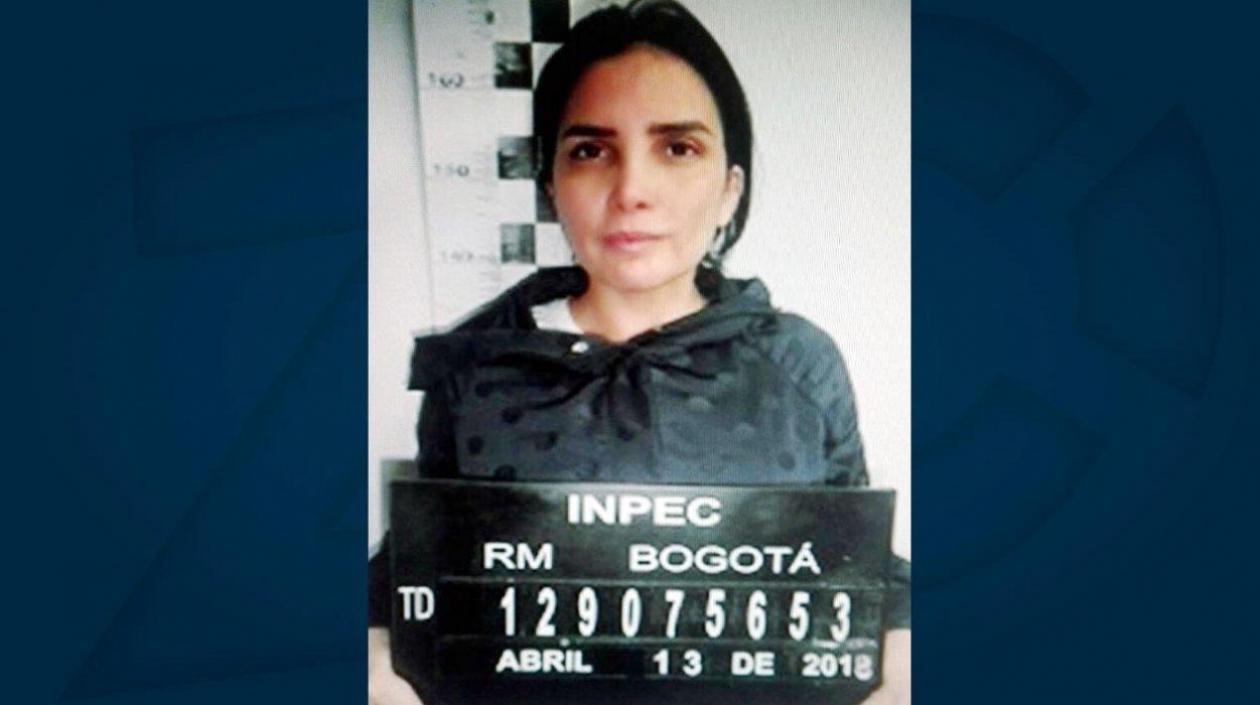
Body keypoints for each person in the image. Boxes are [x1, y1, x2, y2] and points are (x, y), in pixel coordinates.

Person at [369, 2, 909, 703]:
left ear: (729, 190)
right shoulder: (471, 367)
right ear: (551, 185)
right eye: (590, 151)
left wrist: (900, 668)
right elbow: (416, 572)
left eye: (678, 148)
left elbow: (860, 570)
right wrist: (377, 664)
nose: (631, 192)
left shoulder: (801, 365)